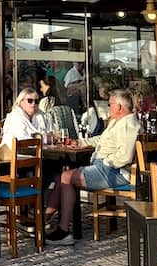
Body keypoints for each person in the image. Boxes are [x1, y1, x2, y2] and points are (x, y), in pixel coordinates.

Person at [45, 89, 141, 246]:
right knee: (61, 177)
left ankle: (61, 229)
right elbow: (102, 140)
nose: (108, 107)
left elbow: (125, 156)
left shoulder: (128, 124)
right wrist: (81, 142)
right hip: (106, 168)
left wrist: (106, 161)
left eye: (109, 104)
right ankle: (45, 221)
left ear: (119, 107)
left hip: (113, 171)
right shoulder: (119, 122)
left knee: (66, 177)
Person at [38, 72, 78, 139]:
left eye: (42, 86)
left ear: (49, 86)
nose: (41, 89)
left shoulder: (45, 101)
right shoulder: (65, 103)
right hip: (70, 139)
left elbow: (41, 122)